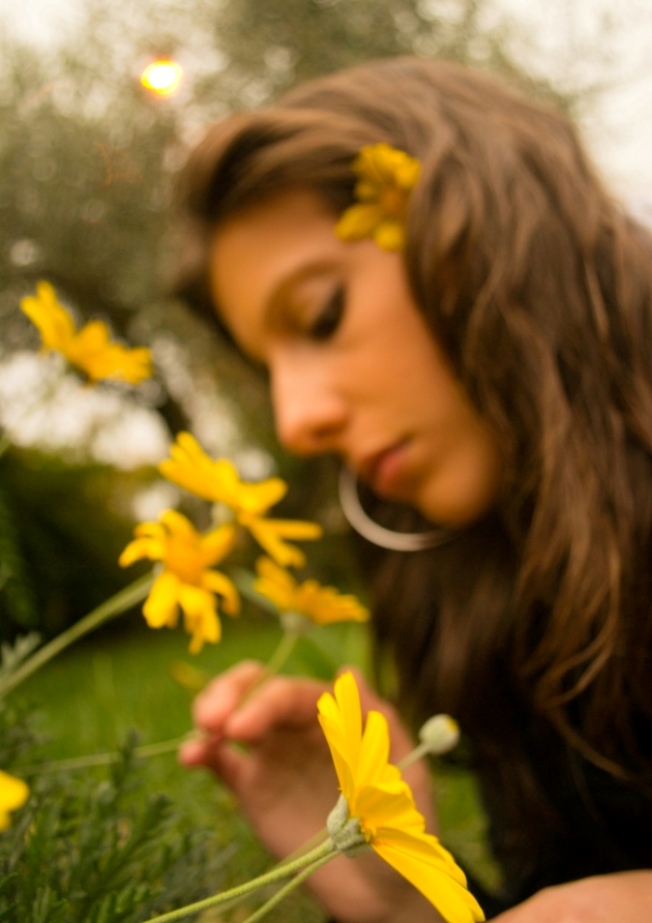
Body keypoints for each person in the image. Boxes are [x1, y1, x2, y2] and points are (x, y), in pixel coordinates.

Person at [174, 57, 652, 921]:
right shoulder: (480, 588)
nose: (295, 420)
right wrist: (401, 900)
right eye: (266, 369)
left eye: (321, 315)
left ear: (479, 233)